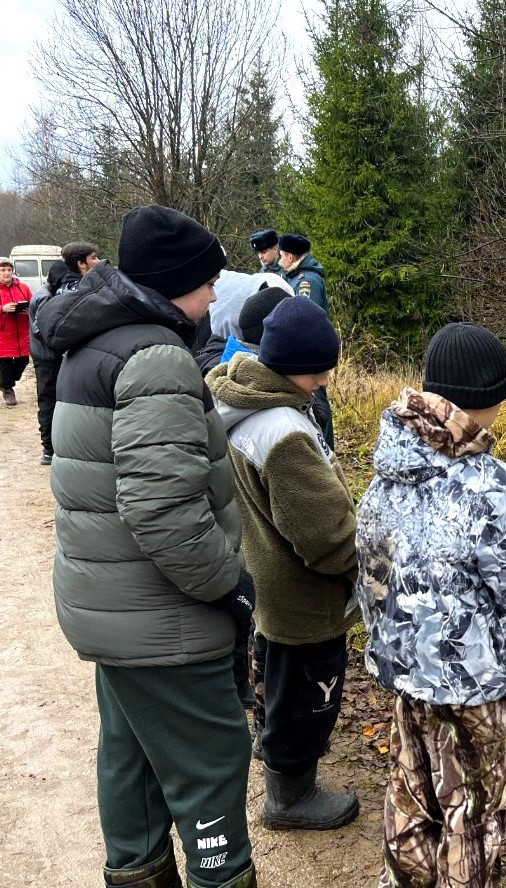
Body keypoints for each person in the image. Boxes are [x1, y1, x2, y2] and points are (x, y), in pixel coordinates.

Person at [37, 204, 257, 888]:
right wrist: (231, 585)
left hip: (114, 607)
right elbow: (163, 511)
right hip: (164, 619)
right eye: (207, 281)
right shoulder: (156, 356)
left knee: (130, 763)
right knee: (210, 763)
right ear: (174, 282)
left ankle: (136, 872)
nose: (216, 295)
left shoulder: (93, 341)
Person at [354, 322, 506, 887]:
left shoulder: (386, 471)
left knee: (413, 791)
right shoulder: (493, 487)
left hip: (406, 676)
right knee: (473, 815)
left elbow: (371, 579)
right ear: (485, 400)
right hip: (479, 691)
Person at [207, 297, 360, 831]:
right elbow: (325, 537)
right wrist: (362, 570)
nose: (323, 382)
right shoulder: (285, 433)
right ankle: (290, 798)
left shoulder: (238, 400)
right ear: (296, 365)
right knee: (307, 698)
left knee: (274, 678)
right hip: (302, 597)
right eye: (320, 371)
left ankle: (271, 756)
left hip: (262, 577)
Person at [29, 244, 101, 463]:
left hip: (58, 355)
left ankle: (64, 444)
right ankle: (49, 449)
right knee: (49, 401)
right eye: (94, 258)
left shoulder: (55, 291)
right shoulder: (44, 297)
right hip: (47, 358)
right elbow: (44, 331)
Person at [278, 233, 334, 449]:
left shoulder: (307, 281)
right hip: (305, 350)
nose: (280, 260)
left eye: (282, 255)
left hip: (310, 352)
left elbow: (304, 318)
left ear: (290, 257)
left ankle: (325, 447)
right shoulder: (293, 276)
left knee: (317, 400)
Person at [0, 256, 33, 407]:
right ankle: (8, 390)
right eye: (2, 270)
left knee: (23, 361)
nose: (7, 273)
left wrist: (29, 310)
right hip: (3, 334)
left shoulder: (23, 287)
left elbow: (34, 303)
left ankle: (5, 382)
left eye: (9, 269)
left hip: (22, 332)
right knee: (5, 365)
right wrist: (2, 308)